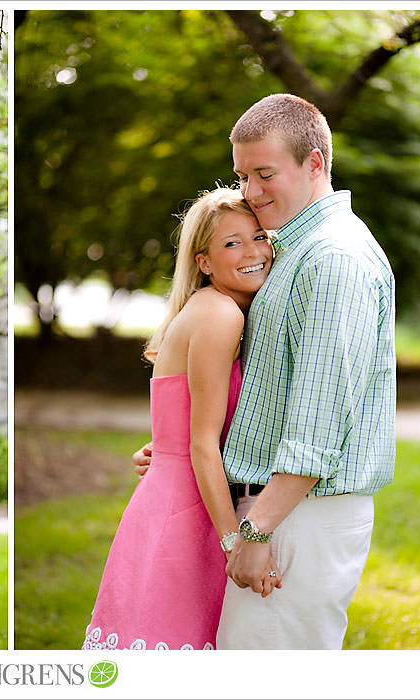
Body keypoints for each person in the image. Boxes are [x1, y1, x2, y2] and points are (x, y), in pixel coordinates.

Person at [134, 94, 396, 649]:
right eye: (242, 175)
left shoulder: (332, 259)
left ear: (315, 163)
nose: (251, 192)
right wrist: (177, 446)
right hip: (277, 508)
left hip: (298, 514)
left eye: (265, 173)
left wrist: (252, 533)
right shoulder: (293, 252)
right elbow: (268, 388)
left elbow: (318, 422)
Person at [83, 187, 280, 651]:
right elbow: (201, 445)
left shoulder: (213, 308)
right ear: (204, 261)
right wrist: (235, 543)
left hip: (177, 497)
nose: (252, 252)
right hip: (189, 513)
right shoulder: (219, 316)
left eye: (259, 236)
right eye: (232, 243)